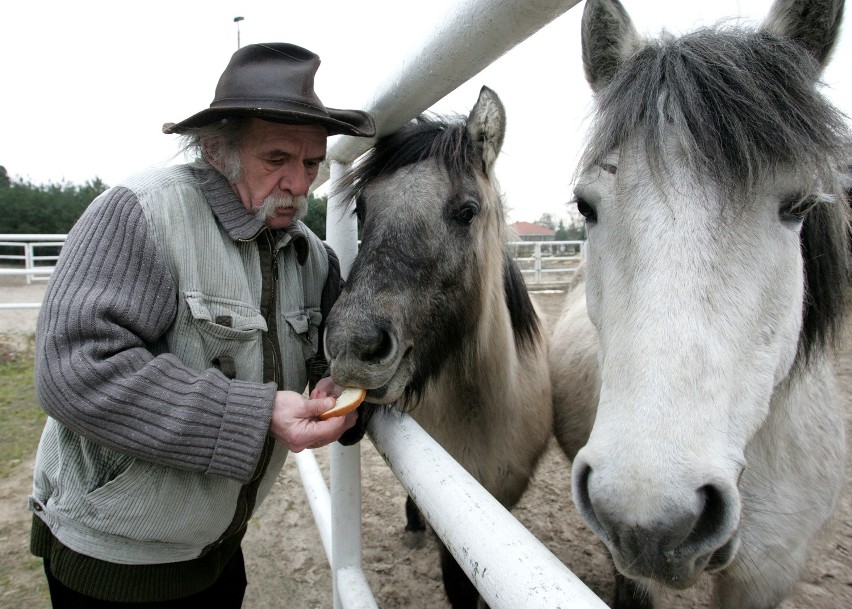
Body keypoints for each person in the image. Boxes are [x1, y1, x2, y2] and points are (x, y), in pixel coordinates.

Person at [27, 42, 375, 607]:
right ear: (216, 150)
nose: (299, 183)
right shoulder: (139, 214)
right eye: (276, 159)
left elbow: (326, 359)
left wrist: (335, 387)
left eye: (311, 162)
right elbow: (75, 372)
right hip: (115, 560)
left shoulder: (312, 257)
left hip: (218, 547)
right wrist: (257, 412)